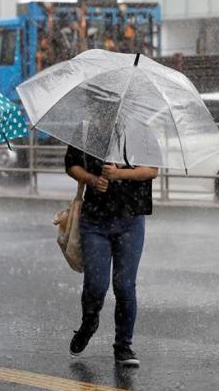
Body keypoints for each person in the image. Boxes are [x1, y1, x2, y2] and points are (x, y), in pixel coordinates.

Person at [65, 146, 158, 367]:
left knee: (125, 286)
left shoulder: (141, 129)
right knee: (96, 284)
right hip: (95, 220)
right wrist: (92, 179)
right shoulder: (88, 129)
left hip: (131, 219)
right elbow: (71, 165)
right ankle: (89, 323)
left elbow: (152, 170)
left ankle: (123, 346)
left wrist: (119, 174)